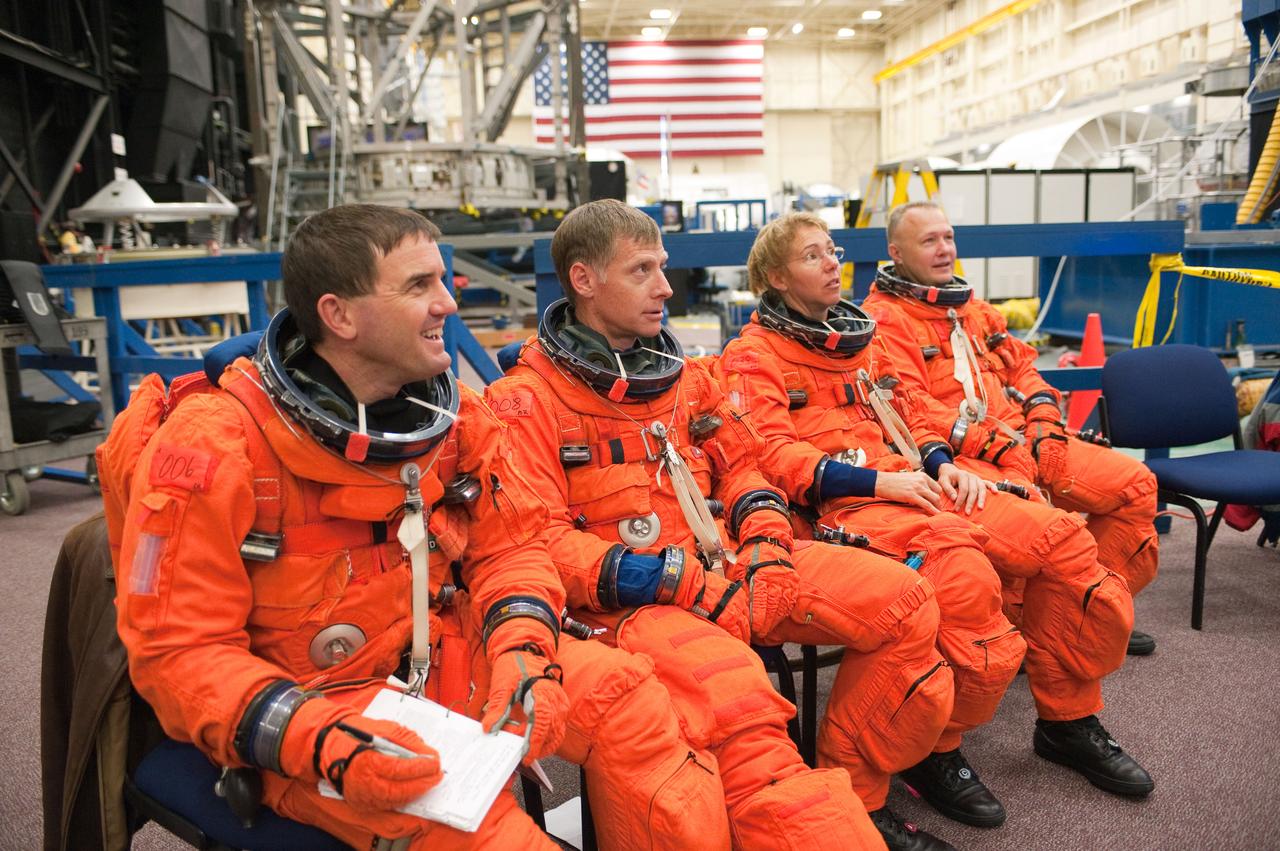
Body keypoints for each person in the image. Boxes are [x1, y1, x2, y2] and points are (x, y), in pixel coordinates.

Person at [110, 204, 732, 850]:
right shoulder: (211, 445)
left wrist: (522, 648)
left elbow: (511, 549)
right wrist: (319, 738)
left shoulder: (457, 416)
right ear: (339, 314)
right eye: (418, 286)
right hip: (317, 708)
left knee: (629, 702)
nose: (449, 305)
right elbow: (177, 652)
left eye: (443, 281)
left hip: (448, 656)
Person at [486, 199, 955, 851]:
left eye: (664, 266)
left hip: (734, 565)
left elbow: (746, 467)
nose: (666, 288)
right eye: (642, 270)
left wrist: (765, 545)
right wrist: (679, 579)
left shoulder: (689, 379)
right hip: (634, 604)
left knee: (905, 603)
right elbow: (533, 543)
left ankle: (857, 790)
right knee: (745, 709)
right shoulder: (524, 402)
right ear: (584, 279)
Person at [717, 211, 1025, 830]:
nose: (833, 262)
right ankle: (868, 781)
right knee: (952, 585)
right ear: (775, 276)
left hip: (906, 488)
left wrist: (939, 463)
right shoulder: (750, 357)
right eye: (813, 256)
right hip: (834, 513)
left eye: (832, 250)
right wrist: (882, 480)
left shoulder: (861, 345)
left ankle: (939, 748)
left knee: (1037, 553)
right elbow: (772, 457)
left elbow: (909, 411)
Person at [861, 201, 1160, 657]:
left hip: (1029, 439)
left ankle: (1088, 612)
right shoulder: (885, 321)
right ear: (895, 252)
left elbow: (1025, 369)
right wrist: (998, 444)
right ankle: (1049, 628)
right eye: (929, 241)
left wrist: (1043, 424)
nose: (944, 250)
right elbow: (910, 407)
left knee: (1136, 486)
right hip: (965, 456)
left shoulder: (975, 310)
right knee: (1041, 529)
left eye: (948, 238)